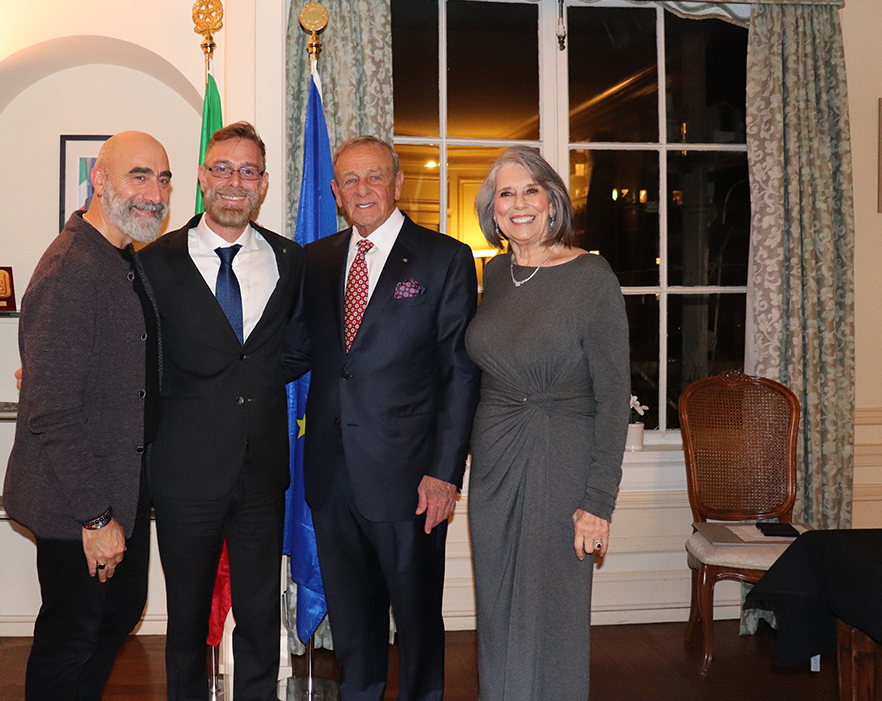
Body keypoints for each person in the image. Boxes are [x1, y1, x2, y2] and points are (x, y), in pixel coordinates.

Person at [284, 135, 481, 701]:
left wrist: (445, 474)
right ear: (336, 192)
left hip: (412, 477)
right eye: (350, 180)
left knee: (417, 621)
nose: (362, 189)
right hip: (330, 474)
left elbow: (460, 374)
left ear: (397, 183)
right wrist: (211, 375)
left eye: (375, 177)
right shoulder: (316, 261)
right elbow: (298, 353)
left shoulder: (444, 258)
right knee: (352, 623)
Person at [3, 130, 171, 701]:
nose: (155, 192)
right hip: (76, 503)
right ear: (99, 181)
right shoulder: (71, 268)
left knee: (114, 617)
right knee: (70, 642)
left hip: (121, 489)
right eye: (139, 175)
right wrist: (96, 520)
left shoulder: (121, 256)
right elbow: (52, 412)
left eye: (164, 177)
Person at [139, 122, 302, 701]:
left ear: (262, 184)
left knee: (260, 618)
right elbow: (138, 360)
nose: (236, 181)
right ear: (203, 177)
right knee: (185, 623)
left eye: (249, 171)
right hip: (184, 474)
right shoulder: (153, 263)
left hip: (262, 475)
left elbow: (299, 344)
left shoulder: (290, 259)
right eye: (224, 169)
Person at [465, 145, 629, 701]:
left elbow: (613, 396)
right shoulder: (495, 272)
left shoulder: (591, 276)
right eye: (504, 194)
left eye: (530, 189)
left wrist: (598, 501)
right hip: (494, 467)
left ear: (552, 200)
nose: (518, 203)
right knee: (499, 610)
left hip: (561, 461)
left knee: (551, 615)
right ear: (492, 210)